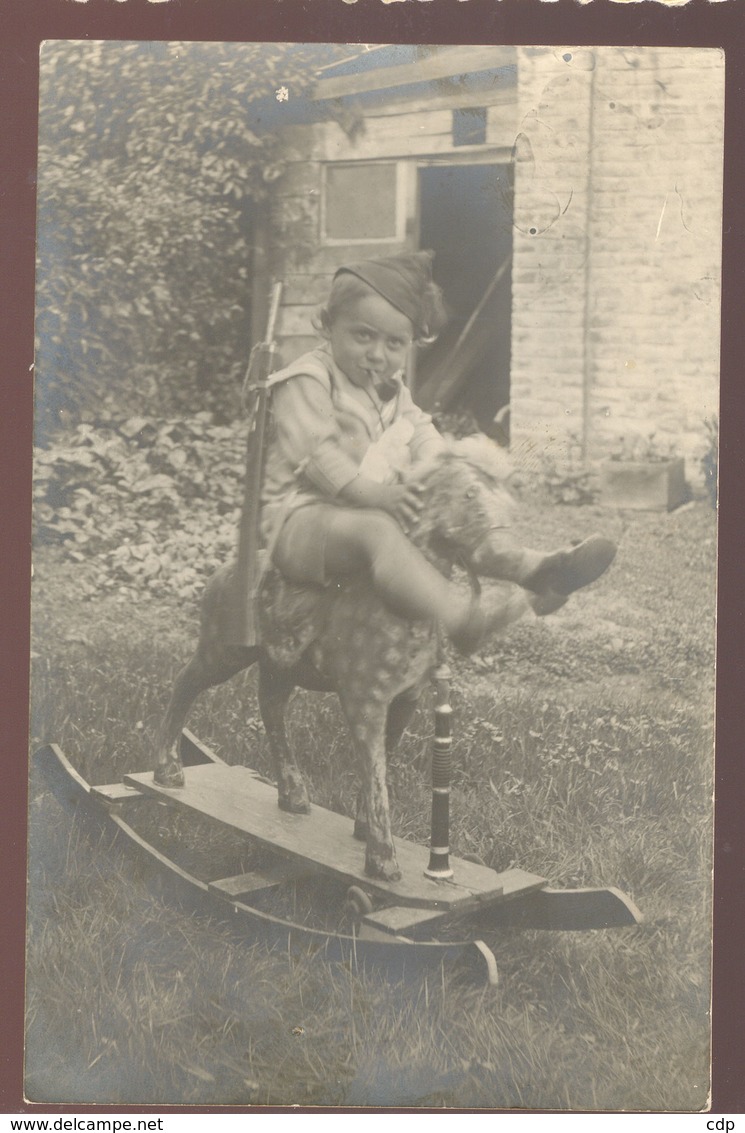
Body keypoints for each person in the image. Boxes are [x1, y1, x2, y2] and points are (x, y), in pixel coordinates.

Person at [258, 252, 615, 652]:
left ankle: (537, 570)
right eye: (363, 335)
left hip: (362, 508)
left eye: (394, 344)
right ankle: (460, 619)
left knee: (453, 506)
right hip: (299, 518)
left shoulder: (388, 387)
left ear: (410, 345)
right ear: (328, 326)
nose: (378, 354)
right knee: (379, 532)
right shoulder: (307, 380)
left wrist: (445, 470)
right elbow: (318, 454)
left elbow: (421, 432)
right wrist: (378, 496)